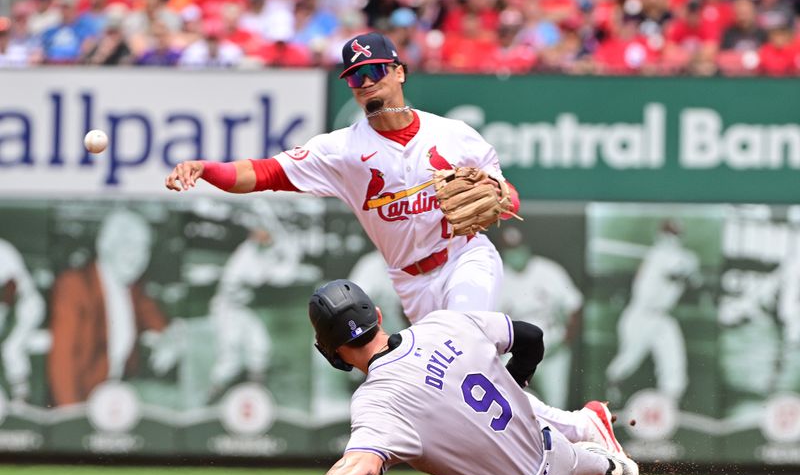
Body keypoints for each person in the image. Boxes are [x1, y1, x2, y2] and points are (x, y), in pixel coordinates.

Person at [166, 31, 617, 450]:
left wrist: (499, 194)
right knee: (461, 381)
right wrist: (207, 168)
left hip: (463, 257)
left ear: (399, 72)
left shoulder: (453, 135)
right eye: (355, 77)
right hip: (410, 282)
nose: (365, 82)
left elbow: (507, 195)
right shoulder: (341, 151)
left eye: (374, 70)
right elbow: (265, 173)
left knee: (465, 357)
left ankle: (567, 438)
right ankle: (581, 426)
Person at [237, 280, 638, 475]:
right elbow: (531, 336)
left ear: (331, 351)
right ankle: (610, 468)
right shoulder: (444, 323)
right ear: (377, 316)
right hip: (558, 451)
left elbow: (360, 469)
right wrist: (515, 383)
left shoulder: (376, 399)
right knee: (542, 438)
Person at [48, 209, 180, 406]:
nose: (138, 256)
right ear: (105, 246)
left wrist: (170, 342)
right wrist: (70, 418)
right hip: (83, 401)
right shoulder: (75, 286)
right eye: (129, 245)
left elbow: (159, 322)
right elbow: (62, 361)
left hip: (117, 394)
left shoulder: (132, 287)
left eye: (144, 248)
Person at [606, 220, 701, 403]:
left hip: (662, 317)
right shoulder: (658, 255)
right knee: (628, 360)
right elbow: (677, 273)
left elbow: (694, 281)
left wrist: (690, 267)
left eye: (674, 234)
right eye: (667, 234)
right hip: (641, 315)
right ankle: (612, 388)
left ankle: (669, 402)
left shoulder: (677, 256)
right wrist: (690, 267)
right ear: (660, 235)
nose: (670, 238)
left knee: (674, 362)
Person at [498, 227, 583, 409]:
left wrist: (565, 342)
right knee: (504, 398)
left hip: (553, 350)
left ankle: (557, 438)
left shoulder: (549, 271)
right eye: (510, 250)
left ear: (527, 247)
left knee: (557, 404)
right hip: (515, 353)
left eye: (518, 248)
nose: (516, 254)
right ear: (504, 252)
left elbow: (574, 307)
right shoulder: (498, 278)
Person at [0, 239, 45, 403]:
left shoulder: (2, 249)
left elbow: (11, 287)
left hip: (27, 306)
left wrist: (3, 316)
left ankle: (22, 397)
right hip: (14, 306)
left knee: (11, 349)